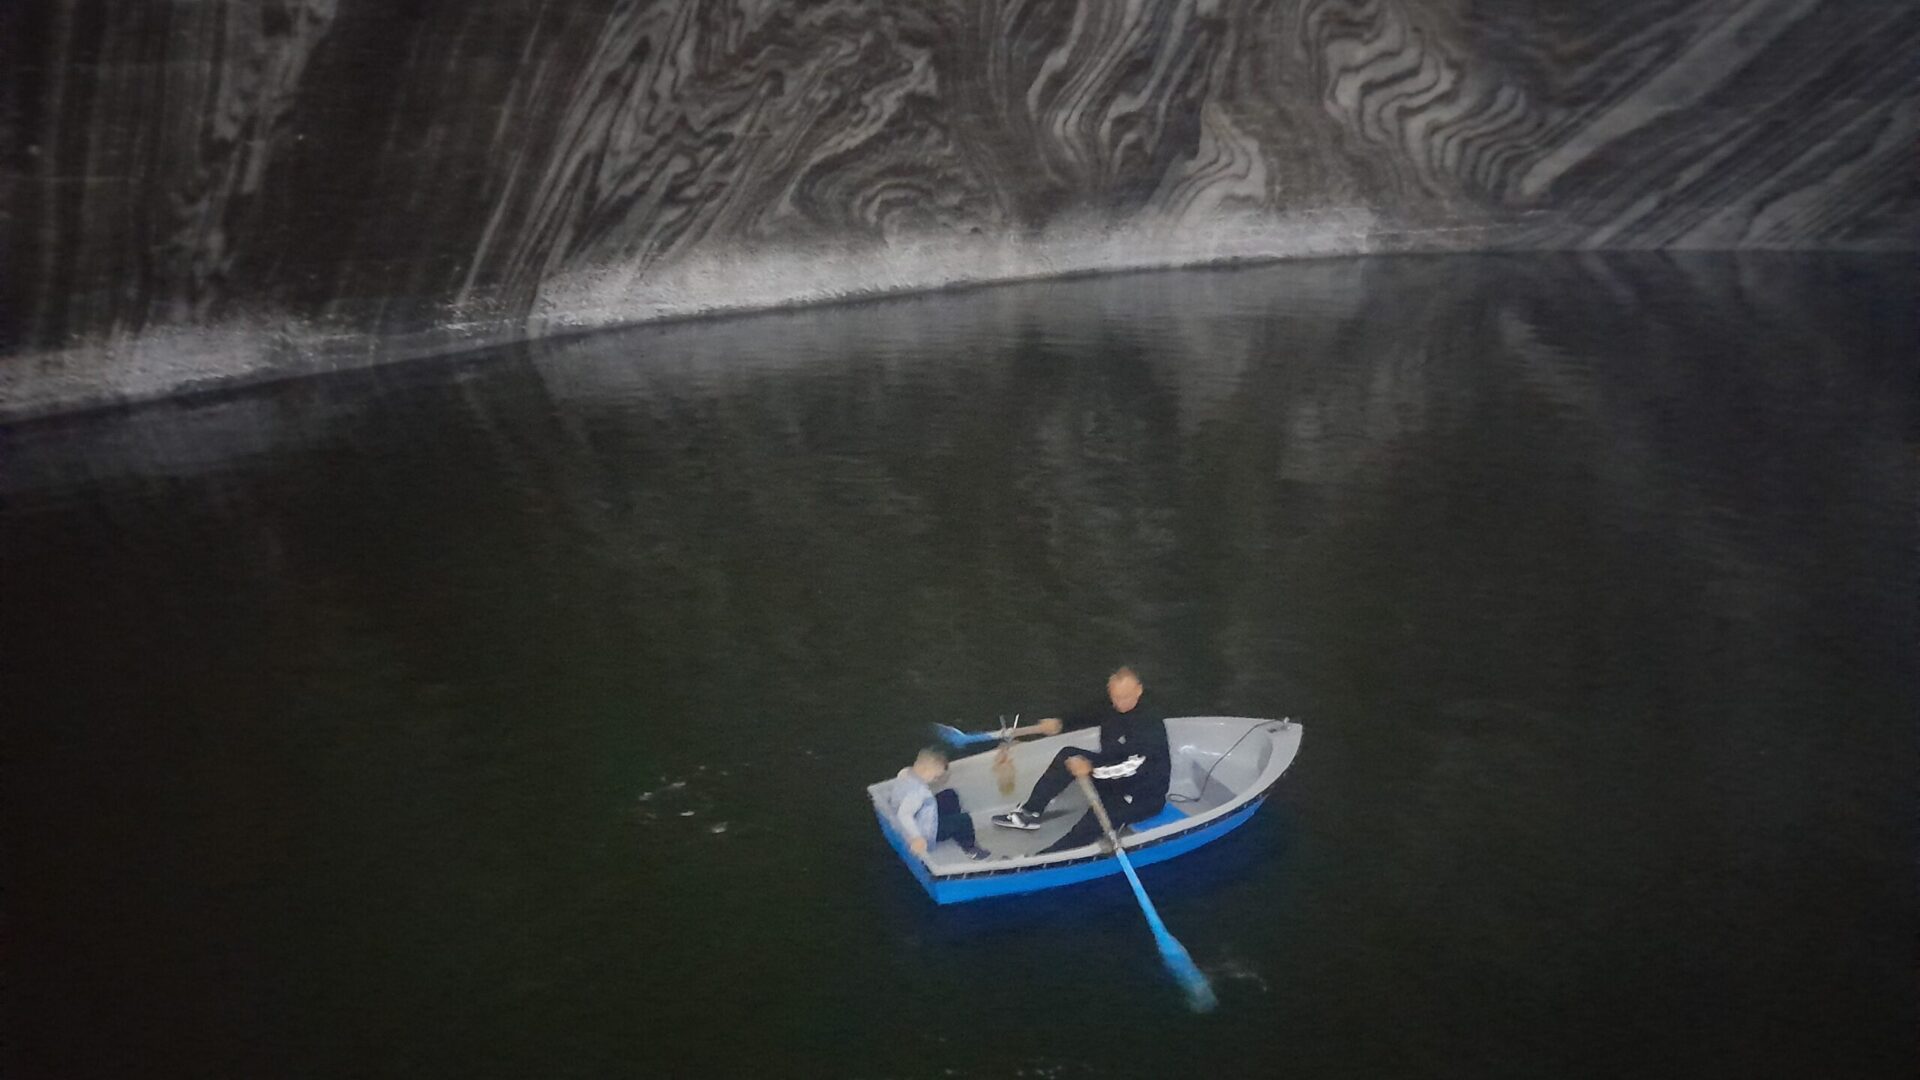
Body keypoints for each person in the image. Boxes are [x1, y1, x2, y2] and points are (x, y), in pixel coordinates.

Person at [991, 667, 1171, 853]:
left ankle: (1047, 858)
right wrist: (1060, 723)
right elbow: (1086, 714)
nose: (1118, 703)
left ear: (1139, 690)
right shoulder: (1112, 704)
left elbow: (1132, 767)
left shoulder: (1149, 723)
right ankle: (1030, 813)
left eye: (1124, 697)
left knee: (1090, 823)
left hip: (1140, 793)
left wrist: (1091, 769)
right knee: (1068, 755)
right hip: (1109, 773)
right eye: (1115, 697)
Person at [875, 747, 991, 862]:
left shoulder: (905, 773)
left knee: (949, 795)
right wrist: (917, 838)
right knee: (965, 820)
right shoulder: (918, 792)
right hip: (926, 831)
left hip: (922, 814)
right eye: (935, 776)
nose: (936, 779)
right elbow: (904, 814)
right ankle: (970, 849)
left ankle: (954, 827)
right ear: (926, 769)